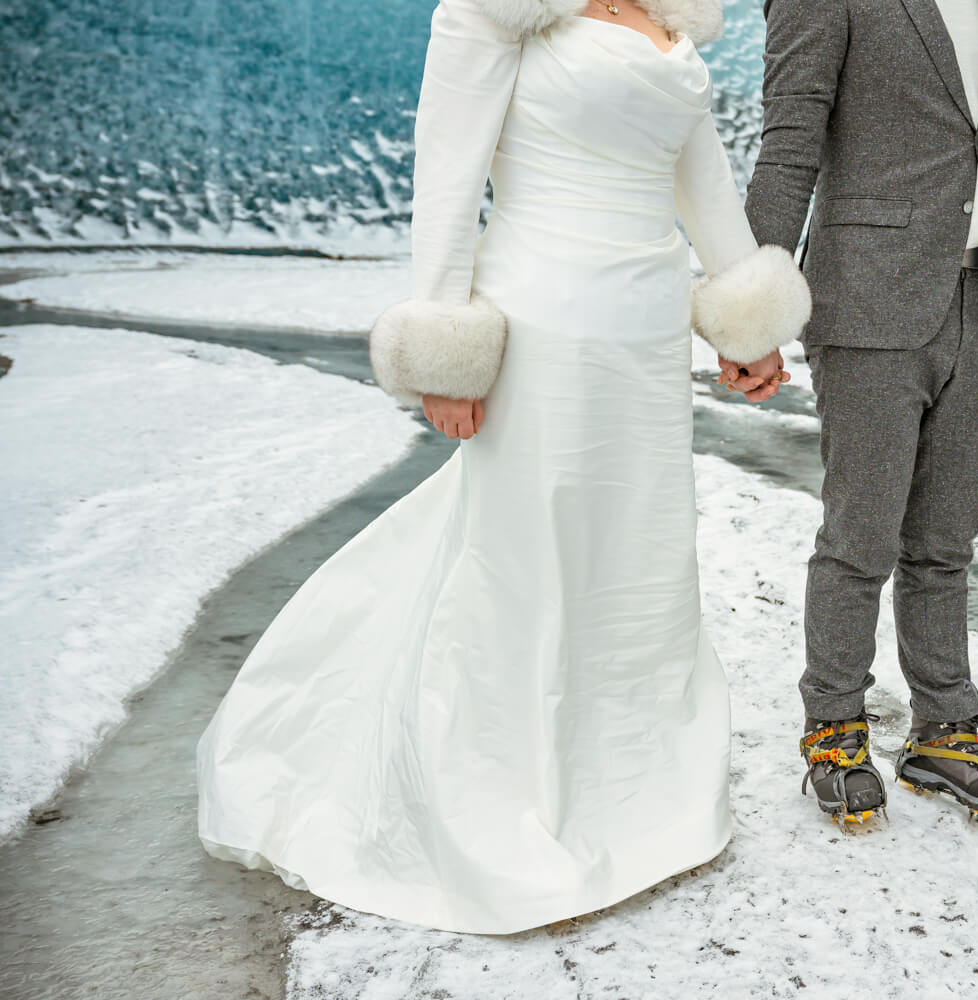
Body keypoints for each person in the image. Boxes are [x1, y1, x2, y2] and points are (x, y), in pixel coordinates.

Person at [195, 0, 809, 934]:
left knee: (636, 551)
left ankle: (638, 795)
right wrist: (448, 348)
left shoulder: (669, 14)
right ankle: (497, 803)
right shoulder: (495, 9)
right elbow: (448, 174)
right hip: (542, 317)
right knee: (524, 551)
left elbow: (703, 178)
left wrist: (747, 323)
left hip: (644, 329)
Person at [743, 0, 978, 825]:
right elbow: (788, 148)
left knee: (946, 542)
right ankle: (833, 729)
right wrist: (752, 314)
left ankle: (944, 733)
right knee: (860, 538)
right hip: (866, 296)